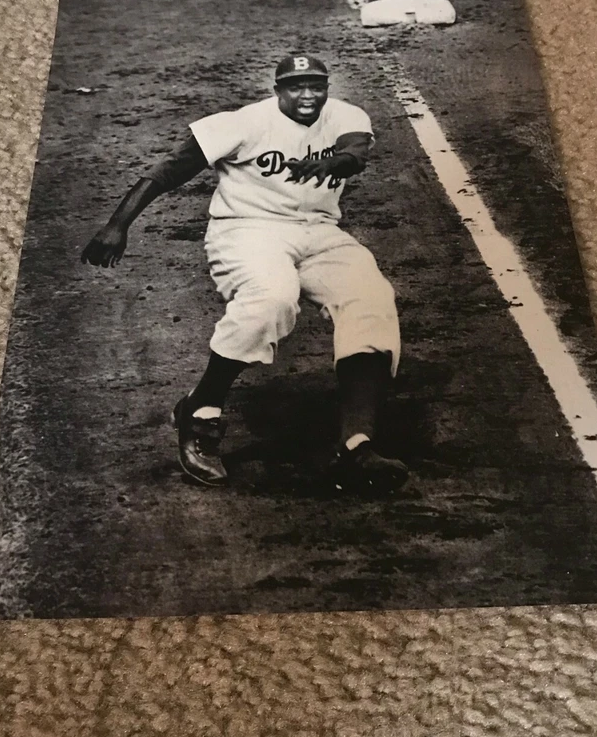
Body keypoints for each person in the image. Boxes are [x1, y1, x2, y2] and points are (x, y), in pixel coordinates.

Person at [82, 54, 408, 493]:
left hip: (318, 231)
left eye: (316, 86)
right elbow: (166, 172)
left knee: (370, 299)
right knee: (272, 299)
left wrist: (336, 164)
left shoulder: (346, 114)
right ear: (277, 89)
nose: (308, 96)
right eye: (296, 87)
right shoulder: (244, 123)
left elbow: (355, 150)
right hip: (246, 230)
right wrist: (118, 224)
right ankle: (201, 412)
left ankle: (356, 445)